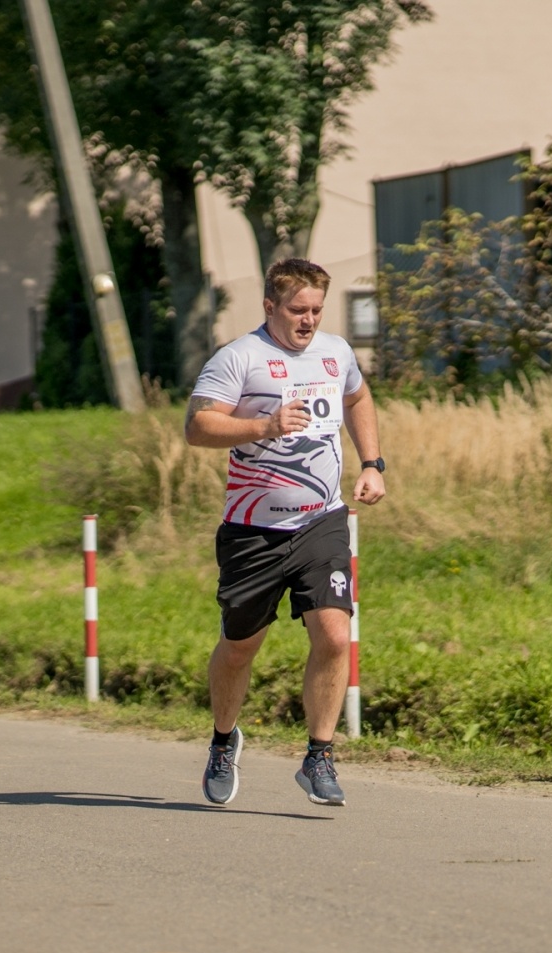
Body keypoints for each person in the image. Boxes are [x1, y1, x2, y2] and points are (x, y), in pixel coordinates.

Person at [184, 258, 386, 806]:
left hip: (322, 522)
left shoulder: (335, 352)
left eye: (317, 310)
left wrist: (372, 463)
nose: (309, 320)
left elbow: (357, 397)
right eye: (298, 310)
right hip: (253, 532)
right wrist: (262, 426)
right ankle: (224, 740)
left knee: (335, 633)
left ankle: (319, 755)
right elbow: (198, 426)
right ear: (270, 306)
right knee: (239, 647)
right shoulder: (239, 358)